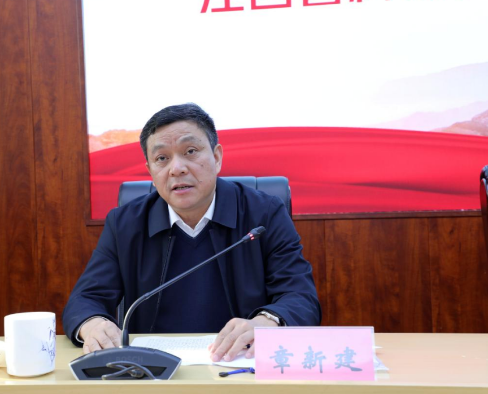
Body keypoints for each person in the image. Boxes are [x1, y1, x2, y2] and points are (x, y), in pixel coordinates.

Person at [63, 103, 320, 362]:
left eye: (190, 152)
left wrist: (267, 322)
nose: (177, 168)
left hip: (238, 366)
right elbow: (86, 298)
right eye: (162, 158)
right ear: (150, 171)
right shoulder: (125, 223)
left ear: (217, 157)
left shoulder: (263, 215)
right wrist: (92, 324)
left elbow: (300, 296)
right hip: (153, 371)